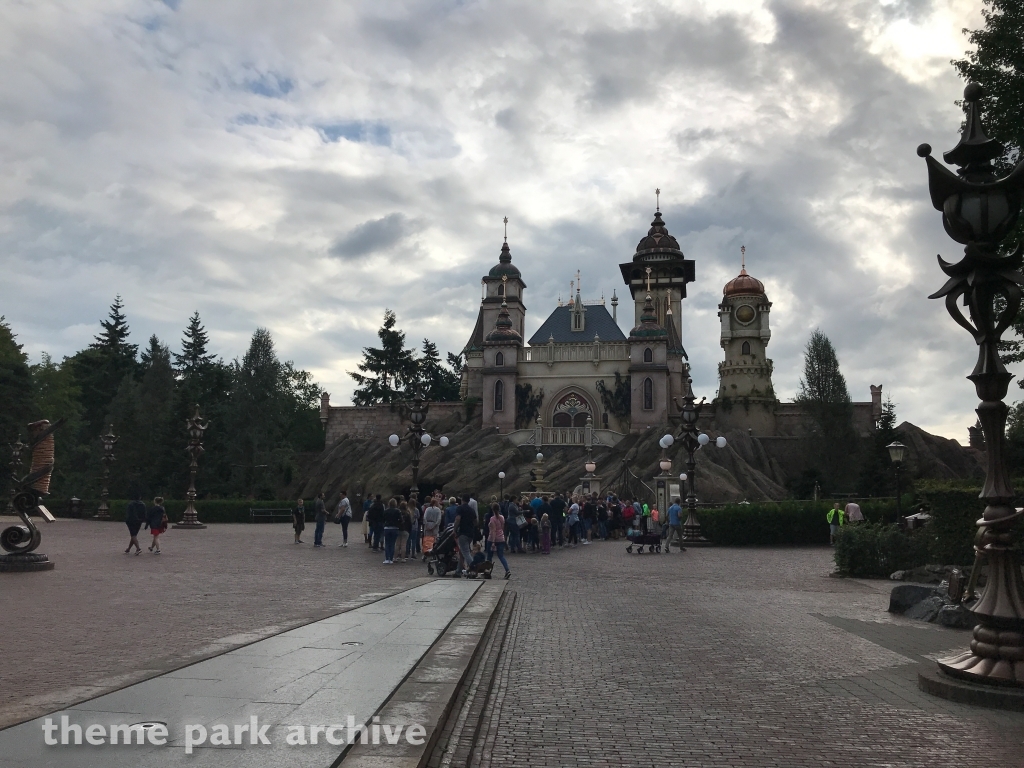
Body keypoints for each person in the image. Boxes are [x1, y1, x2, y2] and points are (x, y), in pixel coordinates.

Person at [487, 502, 512, 578]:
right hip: (501, 538)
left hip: (492, 538)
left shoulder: (492, 519)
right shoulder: (502, 517)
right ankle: (507, 570)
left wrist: (493, 542)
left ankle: (488, 571)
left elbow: (493, 530)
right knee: (501, 556)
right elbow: (502, 528)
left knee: (489, 556)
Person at [454, 494, 477, 575]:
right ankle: (458, 570)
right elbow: (475, 521)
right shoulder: (472, 510)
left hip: (462, 532)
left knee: (466, 552)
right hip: (470, 533)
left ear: (462, 500)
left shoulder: (460, 508)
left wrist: (454, 529)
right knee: (462, 552)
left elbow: (458, 519)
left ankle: (474, 567)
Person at [382, 498, 401, 564]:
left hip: (387, 528)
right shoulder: (397, 511)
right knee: (392, 544)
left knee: (387, 543)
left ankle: (387, 558)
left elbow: (383, 519)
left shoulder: (386, 511)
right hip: (395, 528)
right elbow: (401, 519)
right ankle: (391, 558)